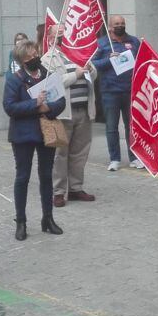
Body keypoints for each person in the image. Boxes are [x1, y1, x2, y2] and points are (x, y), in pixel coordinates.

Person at [3, 39, 66, 241]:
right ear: (22, 60)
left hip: (46, 132)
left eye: (35, 54)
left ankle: (48, 218)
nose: (34, 58)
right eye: (29, 57)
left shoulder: (47, 74)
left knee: (46, 176)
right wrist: (34, 104)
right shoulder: (15, 79)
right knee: (22, 177)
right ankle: (20, 221)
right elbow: (10, 107)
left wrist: (49, 107)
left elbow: (61, 100)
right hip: (23, 135)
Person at [42, 25, 97, 207]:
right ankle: (58, 191)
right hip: (63, 113)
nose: (63, 35)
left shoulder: (79, 52)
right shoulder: (47, 59)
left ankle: (75, 188)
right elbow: (52, 84)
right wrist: (76, 74)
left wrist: (90, 69)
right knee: (60, 153)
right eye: (58, 33)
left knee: (80, 153)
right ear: (50, 38)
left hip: (83, 110)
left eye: (65, 32)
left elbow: (94, 75)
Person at [94, 14, 143, 170]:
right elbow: (92, 64)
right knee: (111, 127)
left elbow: (142, 60)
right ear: (110, 27)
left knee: (132, 127)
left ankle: (134, 157)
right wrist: (108, 59)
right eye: (116, 24)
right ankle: (114, 159)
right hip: (110, 91)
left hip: (130, 90)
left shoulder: (134, 41)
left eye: (122, 23)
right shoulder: (101, 43)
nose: (120, 26)